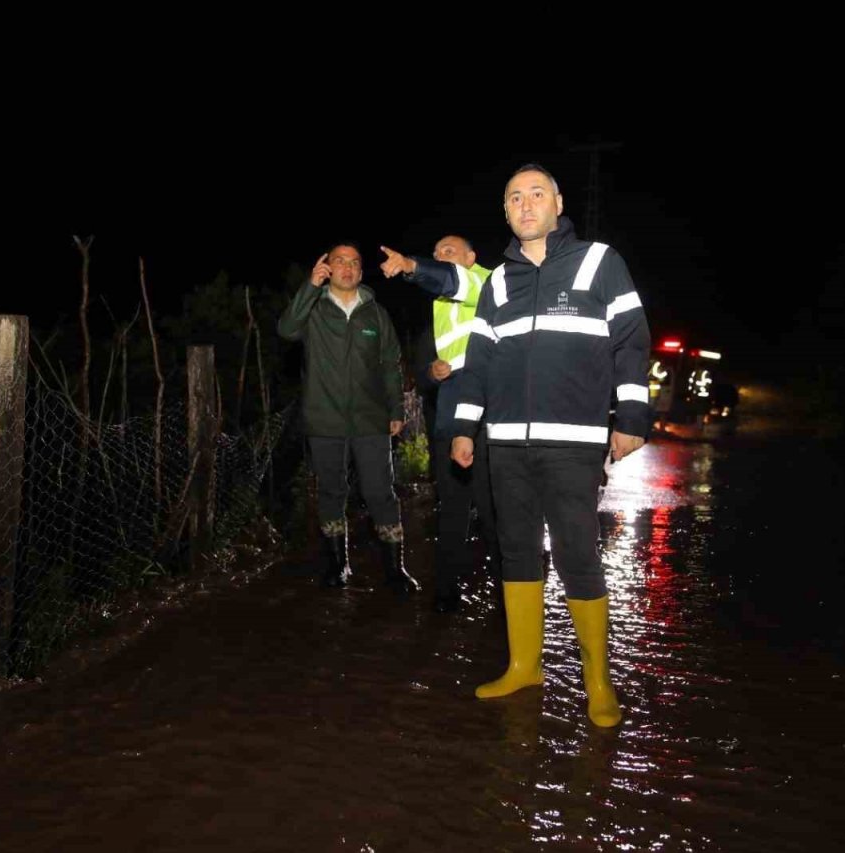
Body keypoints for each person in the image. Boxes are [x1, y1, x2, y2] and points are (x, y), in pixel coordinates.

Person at [450, 164, 651, 727]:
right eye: (515, 197)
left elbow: (632, 341)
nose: (526, 203)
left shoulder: (598, 262)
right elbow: (479, 361)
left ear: (558, 203)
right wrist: (465, 427)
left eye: (537, 193)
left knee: (578, 557)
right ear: (507, 212)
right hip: (507, 444)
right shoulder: (497, 282)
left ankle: (598, 680)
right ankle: (523, 665)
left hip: (574, 445)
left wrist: (631, 415)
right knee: (515, 551)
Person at [277, 242, 418, 594]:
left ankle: (395, 569)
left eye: (354, 263)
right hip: (324, 418)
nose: (347, 268)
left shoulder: (375, 313)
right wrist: (309, 286)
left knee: (380, 491)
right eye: (339, 261)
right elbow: (286, 329)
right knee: (331, 491)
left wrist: (396, 410)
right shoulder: (314, 308)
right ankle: (338, 566)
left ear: (359, 271)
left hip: (371, 419)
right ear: (328, 267)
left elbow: (390, 364)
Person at [379, 236, 500, 613]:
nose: (441, 257)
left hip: (488, 425)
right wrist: (431, 373)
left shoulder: (493, 284)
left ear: (471, 257)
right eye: (436, 254)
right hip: (449, 422)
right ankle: (446, 595)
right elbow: (421, 371)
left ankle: (510, 597)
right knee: (451, 511)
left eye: (448, 252)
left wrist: (414, 265)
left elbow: (451, 280)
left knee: (495, 512)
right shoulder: (438, 308)